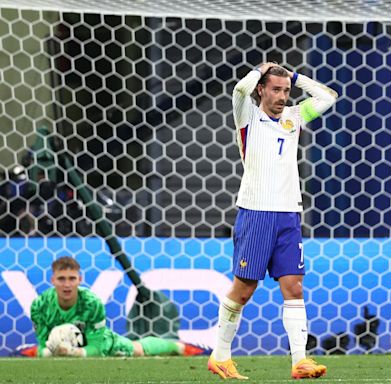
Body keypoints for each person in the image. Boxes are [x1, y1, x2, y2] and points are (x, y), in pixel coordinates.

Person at [207, 63, 337, 380]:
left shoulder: (294, 117)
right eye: (275, 89)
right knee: (244, 289)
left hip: (289, 214)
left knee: (293, 286)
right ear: (261, 89)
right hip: (256, 212)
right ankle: (220, 356)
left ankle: (300, 360)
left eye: (285, 91)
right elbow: (239, 90)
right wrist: (259, 70)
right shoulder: (248, 116)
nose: (281, 96)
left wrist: (294, 77)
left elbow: (327, 96)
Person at [30, 256, 208, 357]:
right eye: (61, 279)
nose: (67, 284)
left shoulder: (92, 303)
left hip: (100, 342)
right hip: (63, 348)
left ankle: (177, 347)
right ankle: (26, 350)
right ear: (53, 280)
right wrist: (48, 351)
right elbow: (42, 343)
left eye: (72, 279)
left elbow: (96, 347)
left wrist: (73, 353)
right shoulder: (39, 305)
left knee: (136, 350)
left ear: (80, 280)